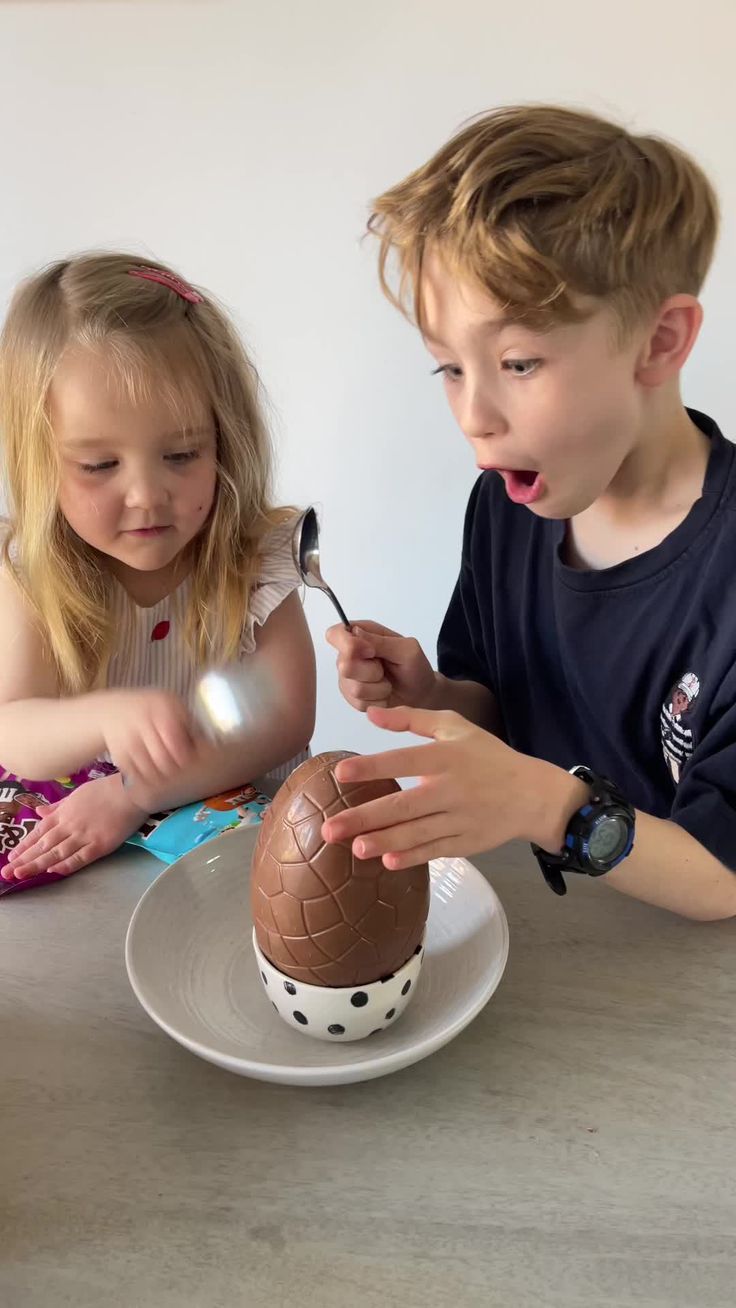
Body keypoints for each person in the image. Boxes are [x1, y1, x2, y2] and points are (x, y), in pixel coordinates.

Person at [323, 104, 736, 921]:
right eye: (448, 368)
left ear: (659, 342)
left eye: (518, 362)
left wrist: (546, 809)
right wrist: (439, 696)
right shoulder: (507, 504)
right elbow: (506, 708)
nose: (473, 415)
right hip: (539, 928)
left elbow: (723, 878)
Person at [0, 252, 315, 882]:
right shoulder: (32, 572)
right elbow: (15, 729)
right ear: (38, 461)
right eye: (99, 466)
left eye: (180, 454)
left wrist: (134, 794)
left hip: (243, 860)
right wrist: (105, 715)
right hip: (100, 863)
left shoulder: (254, 557)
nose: (146, 496)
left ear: (225, 441)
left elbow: (284, 719)